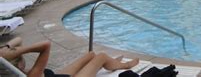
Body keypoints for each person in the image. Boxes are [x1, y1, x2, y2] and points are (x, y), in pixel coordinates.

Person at [0, 39, 139, 77]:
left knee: (91, 55)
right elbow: (45, 45)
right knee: (101, 56)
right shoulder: (32, 75)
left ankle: (112, 63)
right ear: (18, 65)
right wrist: (17, 50)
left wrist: (6, 53)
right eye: (16, 51)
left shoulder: (14, 72)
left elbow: (18, 39)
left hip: (54, 76)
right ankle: (124, 65)